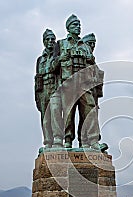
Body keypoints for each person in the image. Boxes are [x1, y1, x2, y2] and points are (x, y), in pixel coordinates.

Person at [56, 14, 103, 150]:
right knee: (68, 112)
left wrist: (90, 59)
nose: (78, 27)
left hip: (84, 82)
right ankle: (68, 140)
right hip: (69, 81)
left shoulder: (85, 46)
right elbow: (53, 65)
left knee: (90, 109)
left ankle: (93, 140)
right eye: (75, 25)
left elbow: (93, 66)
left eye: (79, 25)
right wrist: (60, 59)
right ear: (68, 28)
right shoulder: (60, 44)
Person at [34, 29, 63, 149]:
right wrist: (37, 96)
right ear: (44, 42)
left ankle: (58, 139)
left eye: (52, 39)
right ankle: (48, 141)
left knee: (56, 112)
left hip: (55, 87)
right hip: (43, 90)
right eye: (48, 39)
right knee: (45, 118)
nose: (51, 41)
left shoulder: (58, 56)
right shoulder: (40, 60)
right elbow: (37, 77)